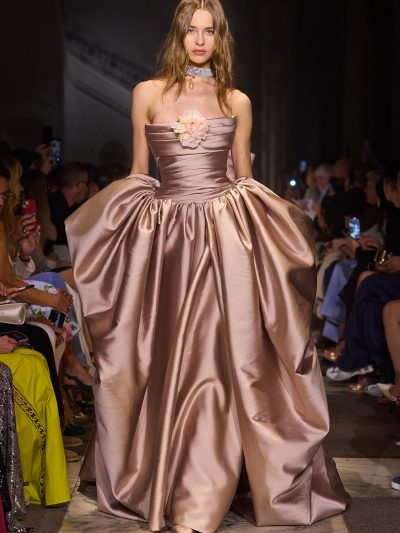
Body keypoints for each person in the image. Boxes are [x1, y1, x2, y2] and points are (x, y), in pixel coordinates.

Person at [66, 1, 347, 532]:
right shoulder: (147, 93)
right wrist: (118, 236)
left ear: (220, 37)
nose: (200, 40)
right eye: (192, 30)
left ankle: (205, 488)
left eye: (210, 31)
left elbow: (242, 177)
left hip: (223, 242)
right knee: (165, 353)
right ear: (178, 34)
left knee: (218, 359)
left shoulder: (236, 100)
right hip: (168, 242)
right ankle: (166, 476)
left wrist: (272, 232)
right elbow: (139, 174)